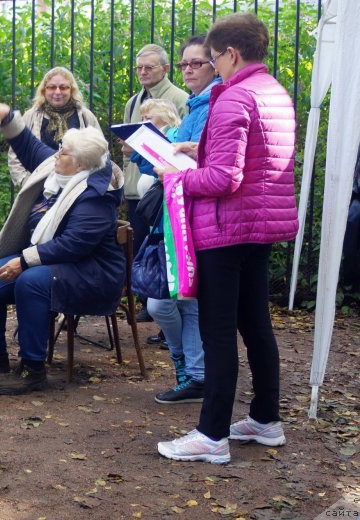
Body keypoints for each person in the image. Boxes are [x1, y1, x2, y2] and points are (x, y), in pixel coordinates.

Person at [155, 13, 298, 464]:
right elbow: (252, 157)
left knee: (218, 332)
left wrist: (174, 178)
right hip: (259, 228)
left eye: (213, 58)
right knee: (256, 325)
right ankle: (265, 419)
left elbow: (223, 178)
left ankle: (211, 434)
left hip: (226, 230)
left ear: (231, 54)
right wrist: (198, 150)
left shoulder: (234, 98)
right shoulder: (273, 92)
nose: (212, 66)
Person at [0, 104, 125, 396]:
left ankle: (33, 368)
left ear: (82, 164)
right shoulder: (62, 169)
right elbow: (30, 147)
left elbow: (75, 245)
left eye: (63, 151)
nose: (56, 153)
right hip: (56, 263)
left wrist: (24, 260)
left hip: (90, 273)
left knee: (31, 282)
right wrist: (7, 118)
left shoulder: (96, 195)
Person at [146, 35, 221, 405]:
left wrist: (174, 155)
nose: (188, 69)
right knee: (172, 302)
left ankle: (196, 374)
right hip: (179, 213)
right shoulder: (198, 105)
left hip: (195, 214)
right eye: (184, 64)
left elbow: (211, 165)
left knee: (179, 302)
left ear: (217, 63)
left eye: (197, 63)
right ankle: (191, 371)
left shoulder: (214, 105)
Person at [122, 44, 189, 322]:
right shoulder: (133, 101)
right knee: (140, 247)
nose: (143, 72)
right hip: (135, 184)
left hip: (164, 185)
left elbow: (181, 144)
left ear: (165, 68)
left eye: (149, 67)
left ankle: (164, 306)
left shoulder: (181, 98)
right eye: (139, 68)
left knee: (164, 249)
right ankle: (147, 299)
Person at [7, 67, 102, 187]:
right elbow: (15, 155)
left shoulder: (85, 116)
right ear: (44, 90)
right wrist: (27, 182)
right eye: (52, 87)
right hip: (38, 187)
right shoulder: (31, 116)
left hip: (78, 188)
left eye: (63, 87)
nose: (57, 92)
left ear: (71, 90)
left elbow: (100, 153)